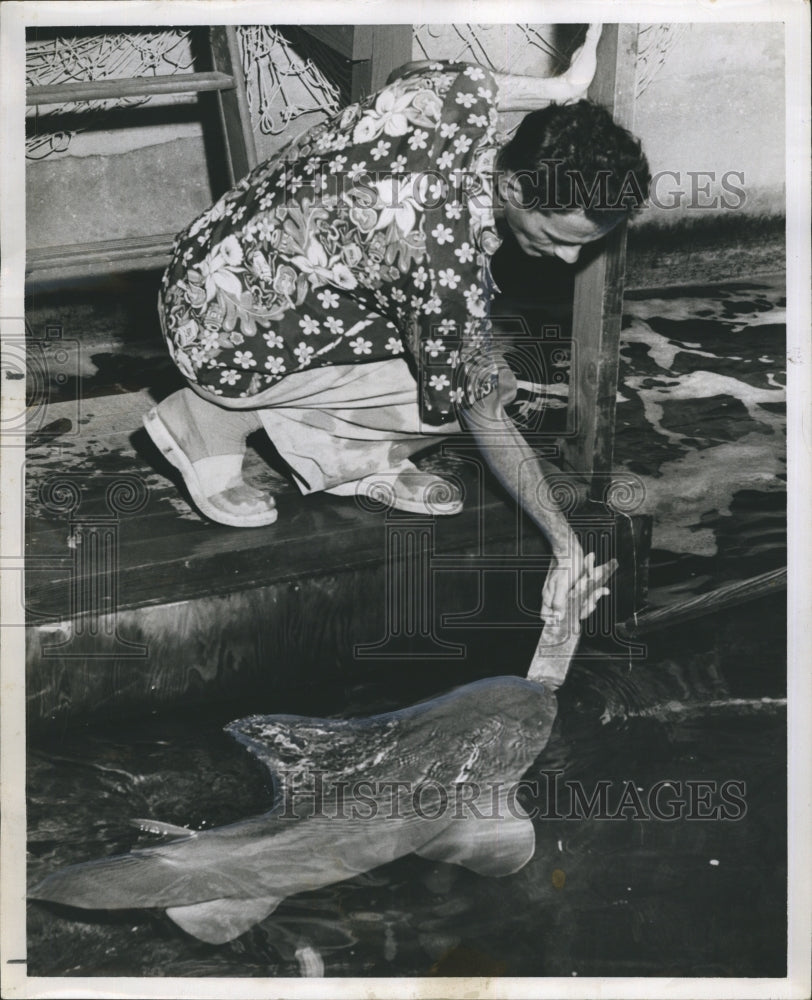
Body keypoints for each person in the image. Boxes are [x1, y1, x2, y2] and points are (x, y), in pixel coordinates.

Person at [143, 24, 650, 621]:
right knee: (481, 390)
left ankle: (337, 457)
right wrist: (565, 545)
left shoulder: (447, 103)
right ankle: (207, 418)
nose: (571, 258)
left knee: (461, 360)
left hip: (206, 265)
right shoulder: (439, 259)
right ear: (513, 186)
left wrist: (564, 86)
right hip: (217, 333)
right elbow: (479, 411)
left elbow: (418, 78)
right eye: (561, 237)